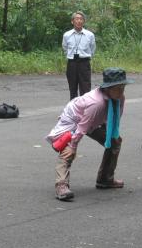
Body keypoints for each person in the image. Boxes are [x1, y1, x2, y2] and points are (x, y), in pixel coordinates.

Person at [46, 68, 132, 201]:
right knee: (67, 149)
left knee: (115, 141)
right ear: (108, 88)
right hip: (74, 118)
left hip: (93, 120)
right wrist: (73, 145)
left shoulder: (119, 98)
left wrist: (110, 134)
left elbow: (115, 119)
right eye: (118, 88)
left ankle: (105, 179)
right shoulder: (96, 103)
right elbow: (82, 126)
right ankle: (61, 186)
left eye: (123, 87)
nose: (121, 91)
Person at [62, 11, 96, 100]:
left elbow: (92, 49)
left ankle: (86, 110)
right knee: (72, 88)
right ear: (72, 21)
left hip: (84, 63)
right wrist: (70, 56)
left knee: (86, 89)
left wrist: (86, 56)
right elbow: (65, 48)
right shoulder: (67, 35)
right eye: (77, 19)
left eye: (81, 19)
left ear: (84, 21)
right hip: (72, 63)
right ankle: (73, 110)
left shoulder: (90, 35)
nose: (79, 21)